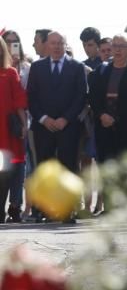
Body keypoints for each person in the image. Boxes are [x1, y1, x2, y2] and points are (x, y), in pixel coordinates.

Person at [27, 31, 89, 217]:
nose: (56, 46)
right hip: (43, 126)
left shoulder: (77, 67)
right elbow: (31, 97)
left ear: (65, 44)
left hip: (68, 126)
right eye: (52, 43)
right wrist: (44, 118)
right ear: (47, 45)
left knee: (68, 166)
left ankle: (68, 208)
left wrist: (66, 118)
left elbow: (81, 97)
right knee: (44, 166)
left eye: (59, 43)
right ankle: (43, 210)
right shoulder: (37, 67)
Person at [89, 33, 127, 167]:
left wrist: (115, 117)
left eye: (122, 46)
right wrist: (102, 114)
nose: (118, 50)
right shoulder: (101, 70)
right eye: (115, 46)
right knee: (106, 170)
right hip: (104, 128)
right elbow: (93, 96)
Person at [1, 31, 32, 222]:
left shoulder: (10, 72)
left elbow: (19, 101)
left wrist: (23, 125)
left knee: (9, 170)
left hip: (6, 129)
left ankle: (12, 206)